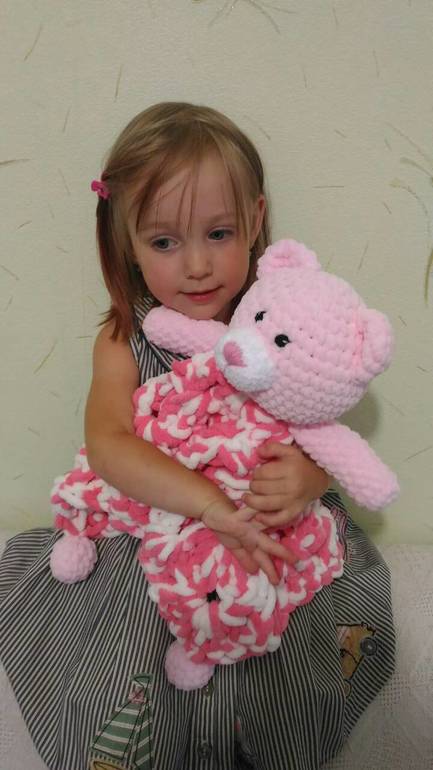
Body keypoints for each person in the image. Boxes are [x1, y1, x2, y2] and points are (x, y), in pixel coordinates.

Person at [0, 102, 395, 770]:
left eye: (218, 233)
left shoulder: (278, 324)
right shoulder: (124, 339)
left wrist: (310, 476)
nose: (197, 266)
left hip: (263, 531)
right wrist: (207, 505)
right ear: (125, 244)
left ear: (255, 221)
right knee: (130, 649)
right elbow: (110, 445)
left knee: (282, 654)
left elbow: (319, 423)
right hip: (161, 525)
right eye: (164, 243)